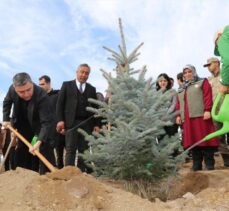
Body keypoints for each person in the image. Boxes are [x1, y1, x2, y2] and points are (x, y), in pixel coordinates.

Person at [2, 72, 55, 174]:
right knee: (23, 151)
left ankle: (47, 176)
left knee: (43, 150)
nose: (26, 94)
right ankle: (24, 176)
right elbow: (7, 102)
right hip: (22, 125)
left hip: (39, 127)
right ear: (15, 88)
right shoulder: (12, 90)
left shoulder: (42, 95)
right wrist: (6, 119)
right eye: (21, 92)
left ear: (31, 83)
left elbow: (46, 122)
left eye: (28, 90)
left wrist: (39, 141)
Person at [56, 64, 100, 173]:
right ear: (77, 72)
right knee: (70, 149)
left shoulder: (91, 89)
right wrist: (60, 120)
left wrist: (96, 124)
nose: (84, 75)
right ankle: (68, 174)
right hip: (71, 123)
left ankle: (81, 174)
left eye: (86, 73)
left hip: (86, 123)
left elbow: (95, 108)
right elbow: (60, 104)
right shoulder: (66, 85)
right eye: (82, 72)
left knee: (83, 150)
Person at [176, 65, 219, 171]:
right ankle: (197, 164)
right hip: (188, 119)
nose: (187, 74)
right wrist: (178, 115)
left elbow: (207, 95)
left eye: (189, 71)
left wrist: (208, 110)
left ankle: (209, 163)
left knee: (206, 140)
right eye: (185, 73)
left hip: (201, 116)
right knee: (193, 141)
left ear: (194, 72)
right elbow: (178, 103)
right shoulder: (181, 88)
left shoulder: (202, 82)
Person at [203, 57, 229, 167]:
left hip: (227, 109)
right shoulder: (208, 80)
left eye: (209, 64)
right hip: (216, 113)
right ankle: (227, 161)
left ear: (217, 63)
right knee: (219, 137)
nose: (208, 67)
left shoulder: (226, 75)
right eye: (207, 66)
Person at [39, 75, 65, 169]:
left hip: (59, 129)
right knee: (49, 153)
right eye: (39, 84)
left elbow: (63, 110)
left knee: (61, 153)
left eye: (42, 84)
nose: (40, 86)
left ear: (49, 83)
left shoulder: (58, 95)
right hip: (47, 131)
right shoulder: (40, 98)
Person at [214, 25, 229, 94]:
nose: (218, 48)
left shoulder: (223, 37)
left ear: (219, 35)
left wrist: (225, 84)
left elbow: (227, 61)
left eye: (216, 45)